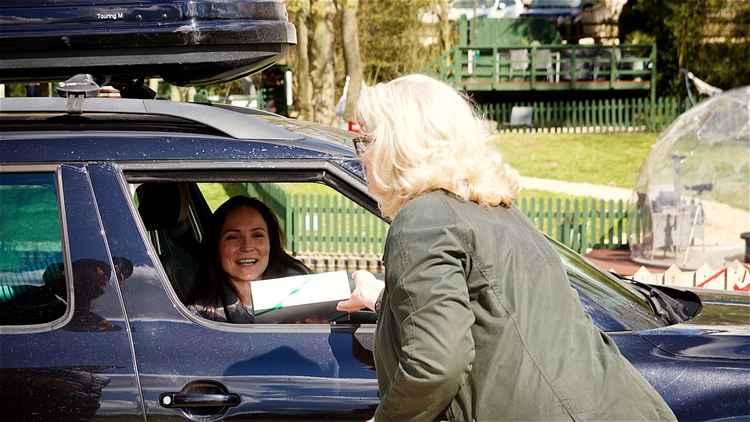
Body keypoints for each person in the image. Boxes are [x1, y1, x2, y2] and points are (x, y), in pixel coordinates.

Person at [337, 74, 677, 422]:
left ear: (399, 146)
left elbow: (436, 362)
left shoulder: (422, 219)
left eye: (367, 139)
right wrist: (380, 298)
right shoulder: (495, 209)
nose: (362, 154)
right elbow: (486, 310)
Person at [188, 196, 310, 323]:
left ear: (270, 243)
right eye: (233, 237)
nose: (247, 247)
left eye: (257, 235)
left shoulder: (302, 285)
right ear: (216, 246)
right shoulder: (198, 313)